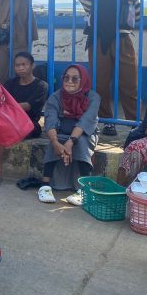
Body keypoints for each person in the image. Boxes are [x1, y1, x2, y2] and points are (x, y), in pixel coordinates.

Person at [67, 0, 140, 136]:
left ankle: (134, 123)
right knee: (100, 84)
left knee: (129, 83)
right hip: (98, 40)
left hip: (122, 40)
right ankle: (107, 121)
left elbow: (136, 18)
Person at [0, 51, 48, 188]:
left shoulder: (41, 86)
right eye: (17, 65)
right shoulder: (11, 83)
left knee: (0, 130)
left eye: (24, 64)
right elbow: (1, 100)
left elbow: (27, 106)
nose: (20, 68)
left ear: (32, 66)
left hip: (28, 123)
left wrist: (6, 108)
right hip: (9, 120)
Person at [38, 64, 99, 202]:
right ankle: (45, 185)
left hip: (85, 133)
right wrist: (55, 142)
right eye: (66, 78)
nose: (69, 82)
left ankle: (85, 190)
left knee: (82, 143)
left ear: (83, 80)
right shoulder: (56, 97)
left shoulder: (93, 97)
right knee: (55, 140)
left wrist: (70, 142)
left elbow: (85, 121)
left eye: (75, 79)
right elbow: (50, 120)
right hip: (62, 131)